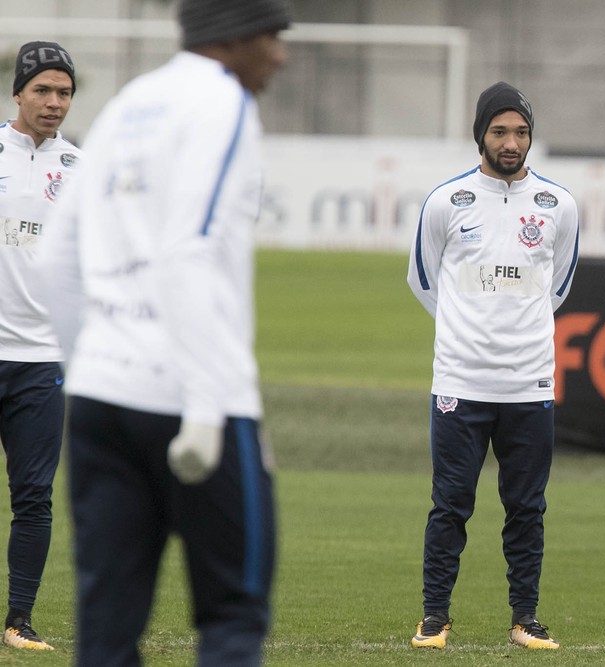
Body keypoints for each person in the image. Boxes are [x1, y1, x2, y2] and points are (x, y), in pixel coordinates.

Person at [39, 0, 290, 664]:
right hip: (197, 402)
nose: (281, 53)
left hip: (100, 397)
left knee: (107, 631)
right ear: (233, 37)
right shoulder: (226, 103)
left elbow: (56, 258)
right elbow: (187, 248)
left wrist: (90, 363)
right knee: (233, 613)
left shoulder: (128, 103)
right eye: (273, 34)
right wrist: (206, 406)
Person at [406, 81, 580, 651]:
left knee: (527, 508)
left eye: (521, 132)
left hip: (529, 382)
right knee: (450, 505)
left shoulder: (559, 204)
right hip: (460, 379)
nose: (511, 142)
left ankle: (525, 619)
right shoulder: (445, 201)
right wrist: (469, 330)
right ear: (480, 133)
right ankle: (435, 619)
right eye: (500, 131)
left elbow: (557, 286)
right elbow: (425, 280)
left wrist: (513, 330)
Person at [0, 40, 80, 652]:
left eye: (64, 92)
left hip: (41, 361)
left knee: (33, 495)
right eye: (43, 90)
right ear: (18, 92)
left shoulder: (84, 170)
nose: (54, 103)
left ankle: (18, 621)